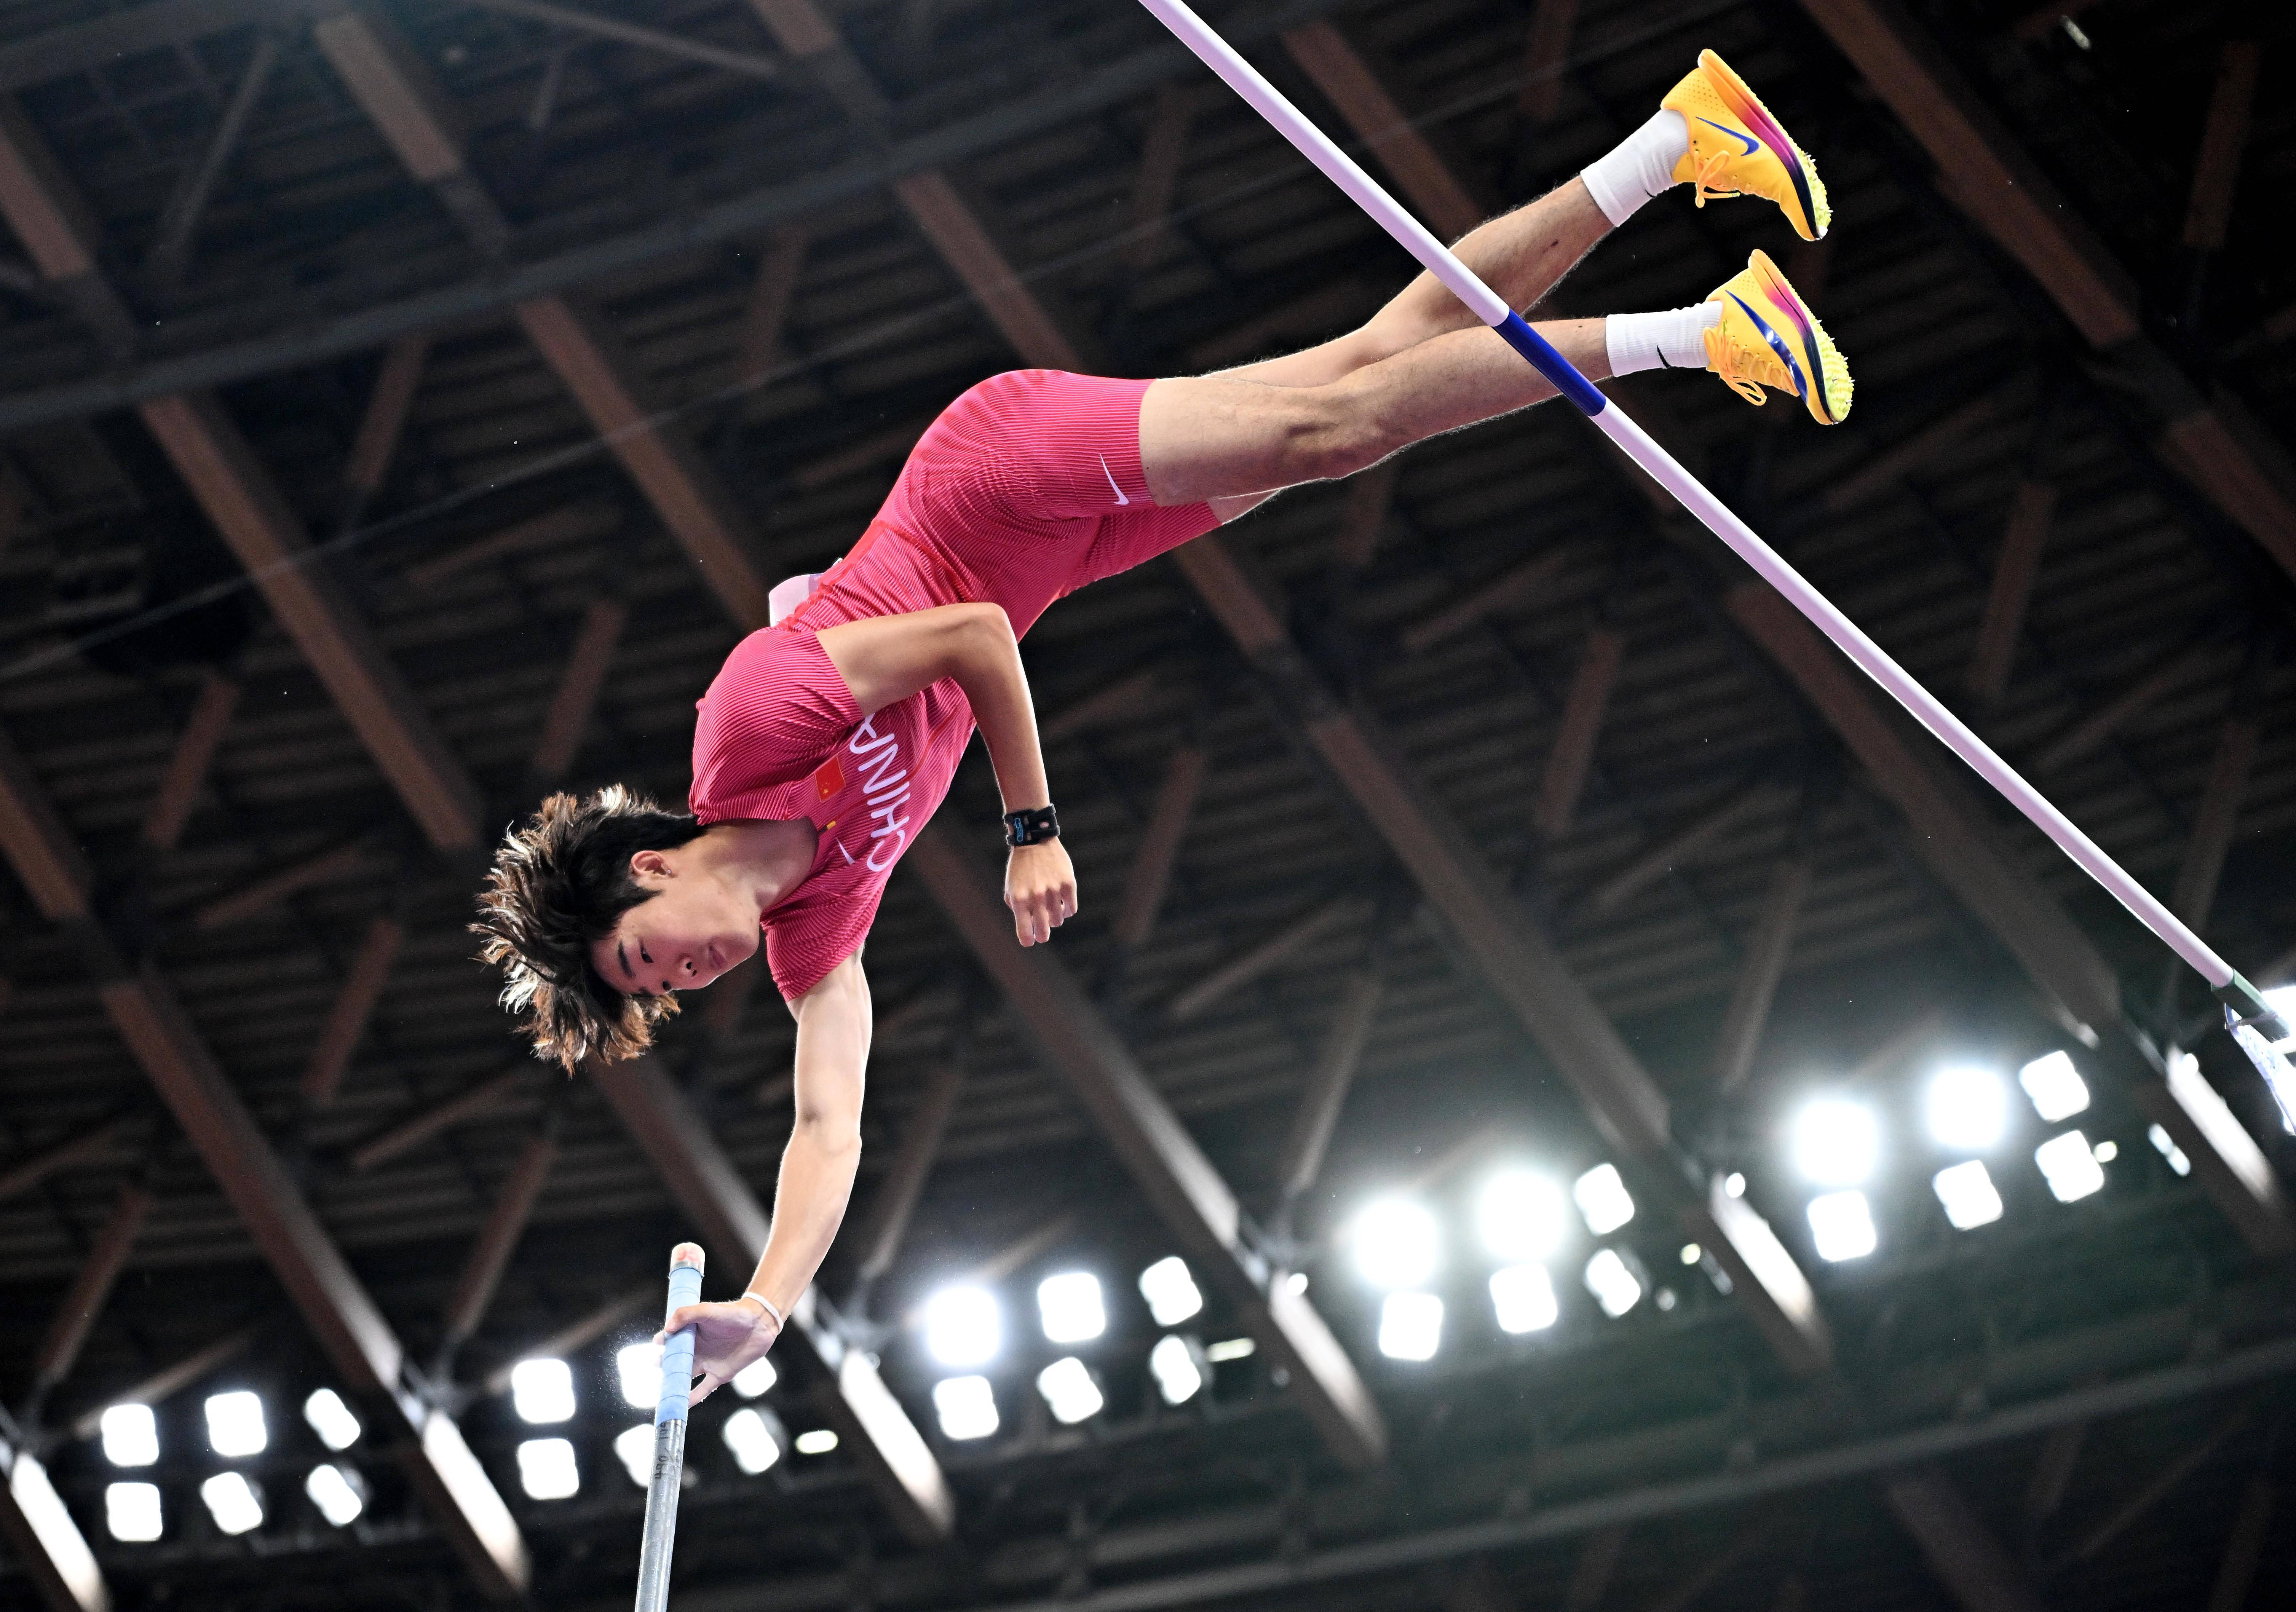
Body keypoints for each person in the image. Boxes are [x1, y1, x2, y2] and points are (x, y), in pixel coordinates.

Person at [471, 50, 1851, 1398]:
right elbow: (827, 1124)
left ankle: (1703, 334)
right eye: (658, 991)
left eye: (646, 954)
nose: (681, 975)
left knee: (1336, 432)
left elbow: (972, 636)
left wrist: (1031, 827)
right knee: (1371, 367)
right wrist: (768, 1308)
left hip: (990, 477)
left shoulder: (747, 731)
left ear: (650, 865)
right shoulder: (812, 931)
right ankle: (1682, 146)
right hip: (1049, 558)